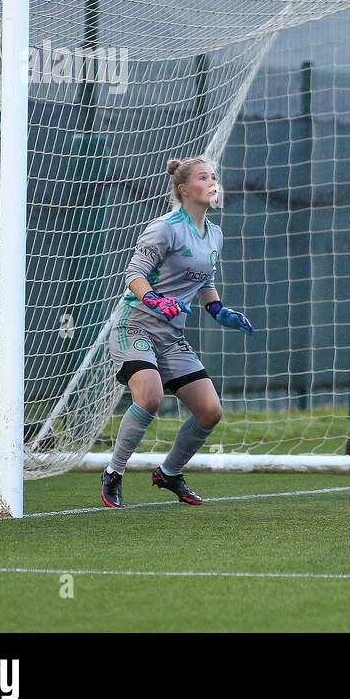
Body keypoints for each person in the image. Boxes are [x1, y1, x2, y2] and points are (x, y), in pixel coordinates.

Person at [101, 157, 254, 508]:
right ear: (184, 188)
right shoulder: (165, 228)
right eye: (204, 177)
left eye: (215, 176)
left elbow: (205, 280)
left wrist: (218, 310)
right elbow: (134, 275)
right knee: (150, 396)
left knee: (210, 411)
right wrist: (156, 301)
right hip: (134, 326)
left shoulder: (215, 233)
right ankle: (113, 473)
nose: (212, 182)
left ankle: (169, 472)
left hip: (171, 338)